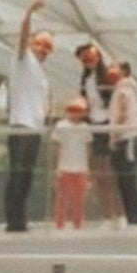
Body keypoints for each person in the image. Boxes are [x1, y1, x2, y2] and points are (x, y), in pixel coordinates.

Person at [3, 0, 53, 232]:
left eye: (48, 47)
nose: (43, 49)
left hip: (34, 127)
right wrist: (30, 11)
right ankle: (13, 220)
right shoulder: (23, 59)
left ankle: (19, 219)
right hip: (21, 125)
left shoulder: (41, 73)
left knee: (26, 175)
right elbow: (22, 36)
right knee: (18, 173)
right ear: (32, 42)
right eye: (40, 43)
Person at [76, 43, 121, 227]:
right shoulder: (86, 79)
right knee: (100, 175)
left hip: (106, 126)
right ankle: (107, 216)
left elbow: (114, 102)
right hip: (94, 126)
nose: (87, 62)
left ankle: (119, 214)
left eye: (89, 58)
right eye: (83, 60)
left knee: (111, 174)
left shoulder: (107, 77)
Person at [108, 60, 137, 228]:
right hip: (127, 137)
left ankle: (134, 218)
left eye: (114, 67)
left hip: (126, 138)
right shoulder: (127, 89)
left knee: (127, 180)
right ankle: (133, 218)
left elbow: (122, 112)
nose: (110, 71)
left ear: (123, 71)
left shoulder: (123, 89)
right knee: (125, 180)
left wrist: (114, 134)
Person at [52, 98, 91, 229]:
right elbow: (57, 146)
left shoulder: (85, 128)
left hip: (81, 168)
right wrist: (56, 167)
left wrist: (88, 168)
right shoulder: (61, 126)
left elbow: (87, 148)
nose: (75, 114)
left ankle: (78, 224)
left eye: (79, 111)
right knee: (62, 198)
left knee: (79, 199)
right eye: (72, 110)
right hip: (64, 167)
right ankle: (59, 224)